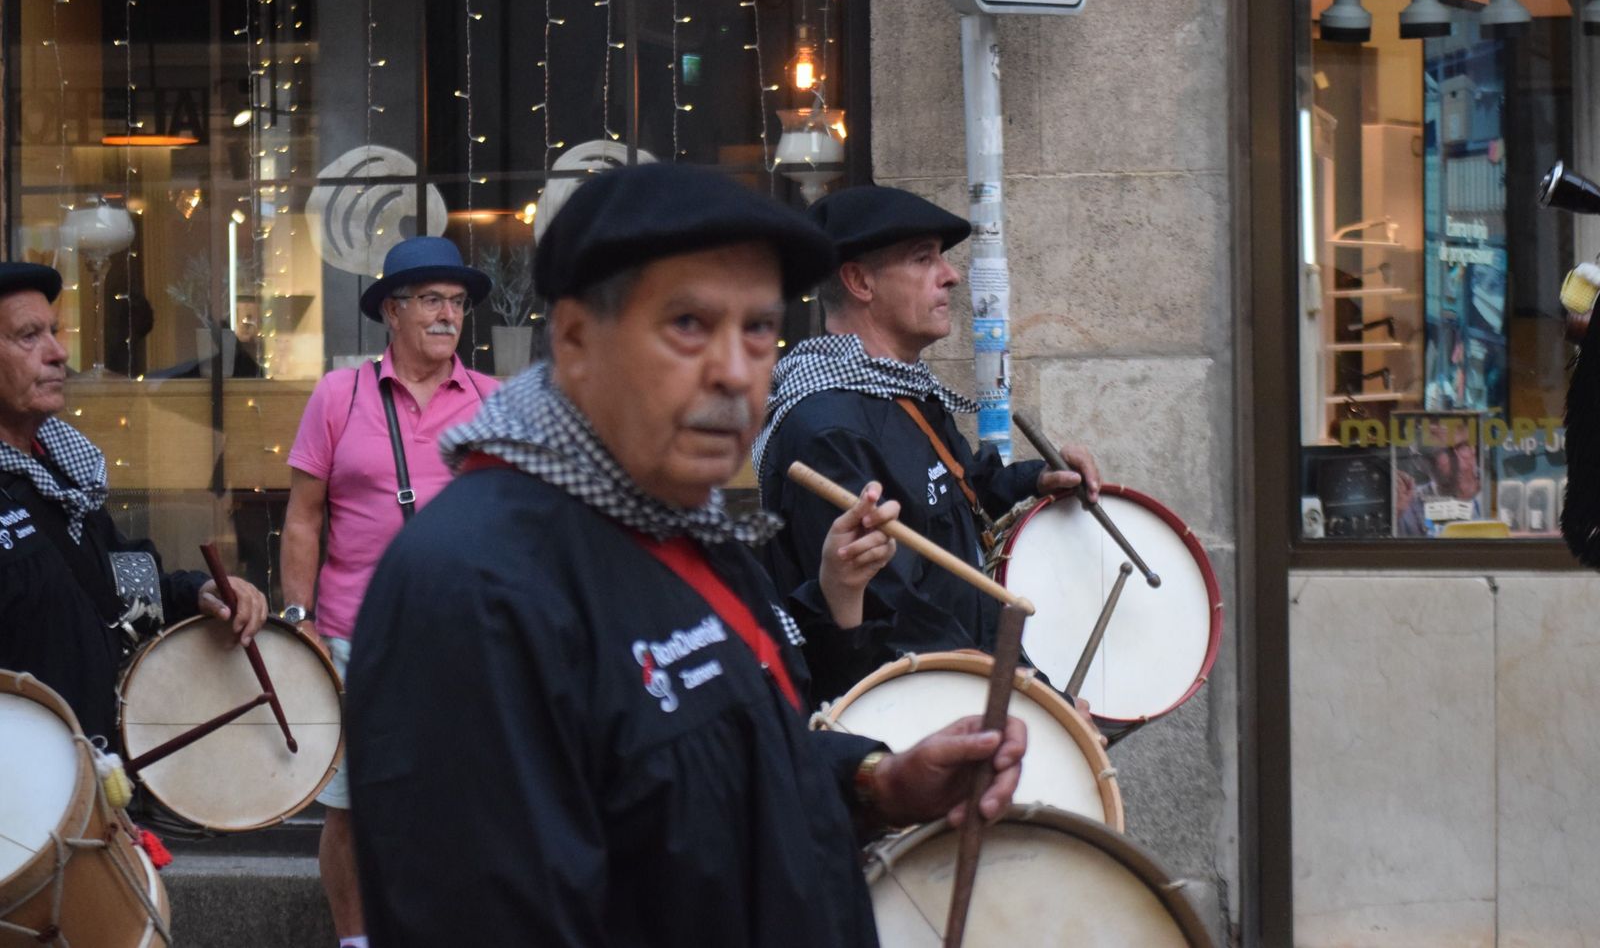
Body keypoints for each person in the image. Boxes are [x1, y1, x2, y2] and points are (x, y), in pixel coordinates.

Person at [344, 165, 1027, 945]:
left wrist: (878, 782)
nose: (736, 371)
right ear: (574, 339)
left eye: (760, 329)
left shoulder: (689, 525)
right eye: (689, 326)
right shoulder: (471, 584)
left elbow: (726, 777)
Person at [755, 185, 1100, 702]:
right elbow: (892, 614)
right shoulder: (830, 429)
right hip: (908, 714)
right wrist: (1037, 700)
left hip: (958, 687)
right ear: (859, 281)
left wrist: (1036, 479)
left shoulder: (901, 390)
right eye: (923, 259)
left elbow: (958, 492)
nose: (951, 275)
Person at [280, 236, 498, 948]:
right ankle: (356, 941)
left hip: (465, 638)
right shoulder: (337, 395)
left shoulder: (494, 402)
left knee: (464, 801)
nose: (448, 316)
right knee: (349, 808)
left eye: (458, 302)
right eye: (432, 300)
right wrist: (298, 619)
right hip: (353, 635)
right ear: (393, 313)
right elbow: (304, 519)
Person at [0, 261, 267, 749]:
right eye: (28, 336)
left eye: (54, 333)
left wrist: (199, 591)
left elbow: (117, 581)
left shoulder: (66, 473)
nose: (58, 354)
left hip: (95, 773)